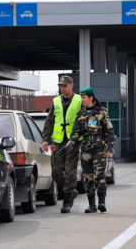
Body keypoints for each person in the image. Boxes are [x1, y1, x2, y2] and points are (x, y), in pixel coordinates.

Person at [67, 87, 115, 213]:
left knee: (99, 175)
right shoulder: (81, 114)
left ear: (91, 97)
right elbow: (75, 131)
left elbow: (109, 130)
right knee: (88, 177)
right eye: (81, 97)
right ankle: (92, 205)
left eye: (84, 97)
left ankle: (102, 202)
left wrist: (109, 147)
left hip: (99, 148)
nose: (82, 100)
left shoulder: (102, 112)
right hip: (86, 149)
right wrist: (71, 141)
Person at [42, 75, 82, 213]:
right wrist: (46, 138)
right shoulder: (56, 101)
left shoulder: (79, 100)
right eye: (61, 86)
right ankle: (71, 191)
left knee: (70, 171)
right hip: (59, 141)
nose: (62, 88)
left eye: (65, 85)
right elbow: (50, 120)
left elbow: (83, 119)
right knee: (56, 172)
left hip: (73, 141)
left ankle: (67, 200)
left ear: (72, 85)